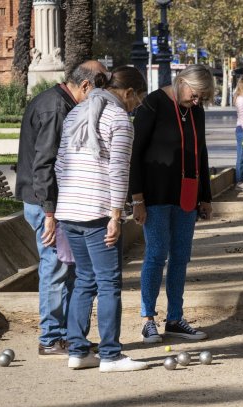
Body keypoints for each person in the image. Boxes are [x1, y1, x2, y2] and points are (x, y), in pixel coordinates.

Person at [55, 66, 149, 372]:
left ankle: (78, 350)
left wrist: (65, 204)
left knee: (84, 279)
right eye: (137, 100)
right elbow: (118, 171)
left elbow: (60, 164)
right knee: (109, 283)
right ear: (129, 93)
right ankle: (110, 354)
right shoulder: (119, 119)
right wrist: (116, 215)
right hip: (97, 212)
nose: (136, 107)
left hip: (69, 210)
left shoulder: (75, 113)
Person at [15, 60, 107, 359]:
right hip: (46, 204)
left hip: (52, 203)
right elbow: (44, 165)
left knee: (67, 269)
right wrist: (51, 213)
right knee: (55, 269)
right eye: (99, 90)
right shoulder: (56, 108)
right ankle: (50, 338)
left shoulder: (57, 101)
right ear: (85, 86)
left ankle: (68, 336)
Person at [130, 64, 215, 344]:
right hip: (155, 196)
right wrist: (137, 198)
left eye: (202, 97)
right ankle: (147, 319)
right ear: (181, 82)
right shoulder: (152, 104)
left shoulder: (196, 112)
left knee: (180, 257)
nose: (198, 100)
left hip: (186, 195)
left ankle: (175, 318)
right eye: (196, 94)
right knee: (156, 255)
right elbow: (135, 154)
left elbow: (200, 152)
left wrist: (206, 196)